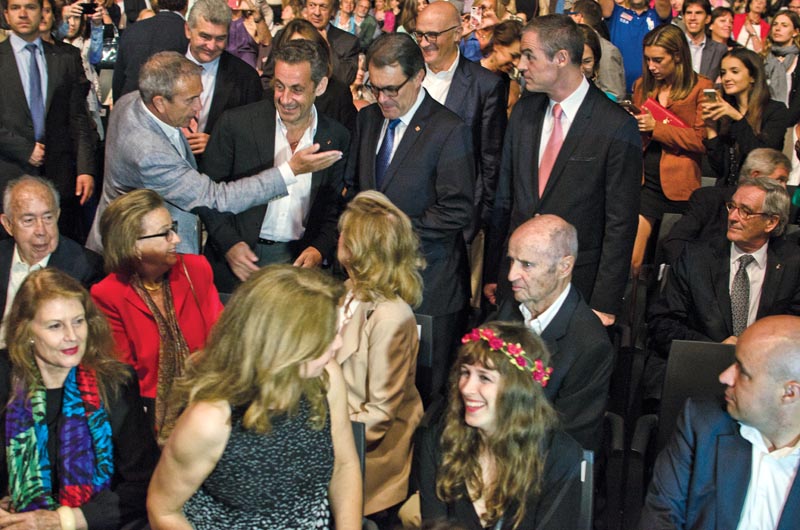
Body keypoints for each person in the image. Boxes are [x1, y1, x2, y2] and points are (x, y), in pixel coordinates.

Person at [146, 265, 363, 528]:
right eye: (324, 338)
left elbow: (344, 466)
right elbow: (163, 509)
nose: (337, 344)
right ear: (283, 348)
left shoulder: (326, 378)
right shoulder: (210, 420)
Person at [88, 51, 342, 255]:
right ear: (159, 102)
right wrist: (291, 170)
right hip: (136, 256)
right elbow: (215, 198)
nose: (199, 108)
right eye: (190, 100)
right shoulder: (147, 152)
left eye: (199, 96)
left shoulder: (132, 101)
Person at [485, 15, 641, 328]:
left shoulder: (615, 125)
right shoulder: (525, 112)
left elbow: (620, 223)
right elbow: (505, 199)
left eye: (530, 55)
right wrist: (494, 273)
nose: (522, 65)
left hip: (575, 288)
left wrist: (605, 302)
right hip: (514, 284)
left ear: (561, 58)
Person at [344, 32, 475, 403]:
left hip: (428, 286)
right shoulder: (369, 120)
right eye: (375, 88)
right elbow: (357, 186)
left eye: (392, 89)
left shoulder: (450, 130)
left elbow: (458, 209)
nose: (382, 99)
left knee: (421, 398)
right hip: (375, 285)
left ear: (419, 77)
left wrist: (389, 235)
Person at [0, 268, 158, 529]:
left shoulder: (115, 382)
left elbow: (144, 482)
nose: (72, 336)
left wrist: (65, 520)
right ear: (27, 331)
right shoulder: (4, 378)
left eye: (78, 321)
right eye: (55, 326)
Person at [197, 39, 350, 293]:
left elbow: (333, 209)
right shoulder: (236, 124)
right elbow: (207, 194)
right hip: (236, 266)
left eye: (297, 89)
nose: (285, 98)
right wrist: (230, 245)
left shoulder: (336, 136)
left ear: (320, 86)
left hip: (297, 269)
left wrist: (318, 249)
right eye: (279, 86)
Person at [415, 321, 583, 529]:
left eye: (484, 378)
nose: (466, 388)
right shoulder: (440, 442)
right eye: (465, 373)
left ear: (518, 391)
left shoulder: (558, 457)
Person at [638, 315, 800, 529]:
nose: (724, 377)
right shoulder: (702, 423)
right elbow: (660, 516)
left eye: (742, 371)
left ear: (789, 393)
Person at [91, 189, 224, 432]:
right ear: (133, 246)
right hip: (145, 416)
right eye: (165, 233)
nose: (177, 239)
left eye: (172, 228)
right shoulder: (107, 294)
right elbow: (123, 377)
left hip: (209, 399)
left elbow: (221, 337)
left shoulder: (196, 269)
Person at [336, 190, 424, 523]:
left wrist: (321, 438)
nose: (339, 236)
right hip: (337, 428)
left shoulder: (391, 316)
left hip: (369, 451)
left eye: (347, 232)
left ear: (363, 246)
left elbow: (380, 414)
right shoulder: (347, 291)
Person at [494, 215, 614, 453]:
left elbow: (567, 441)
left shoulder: (590, 345)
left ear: (564, 267)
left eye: (526, 265)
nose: (511, 275)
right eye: (512, 261)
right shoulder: (509, 308)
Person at [648, 177, 800, 355]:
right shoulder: (696, 258)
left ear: (771, 222)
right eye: (732, 207)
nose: (733, 217)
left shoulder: (793, 264)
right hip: (700, 364)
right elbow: (663, 323)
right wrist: (715, 349)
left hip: (765, 367)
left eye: (746, 211)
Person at [0, 0, 97, 244]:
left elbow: (78, 118)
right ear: (6, 15)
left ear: (45, 13)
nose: (23, 14)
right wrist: (24, 149)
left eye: (30, 7)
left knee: (59, 251)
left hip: (59, 174)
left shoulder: (65, 58)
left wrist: (85, 168)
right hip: (9, 170)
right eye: (15, 8)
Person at [629, 23, 712, 274]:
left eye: (658, 60)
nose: (652, 66)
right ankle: (628, 308)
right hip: (645, 179)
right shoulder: (643, 85)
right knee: (632, 257)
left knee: (669, 262)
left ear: (677, 56)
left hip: (680, 184)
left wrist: (657, 128)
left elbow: (701, 140)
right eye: (647, 59)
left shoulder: (701, 88)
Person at [0, 176, 103, 345]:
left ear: (58, 215)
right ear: (8, 224)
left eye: (48, 218)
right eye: (29, 220)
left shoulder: (87, 268)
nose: (41, 230)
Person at [663, 147, 793, 265]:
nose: (783, 187)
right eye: (779, 180)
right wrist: (698, 275)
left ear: (771, 222)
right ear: (756, 176)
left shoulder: (776, 211)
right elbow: (675, 243)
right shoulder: (709, 199)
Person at [181, 0, 264, 161]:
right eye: (205, 36)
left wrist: (217, 144)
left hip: (217, 175)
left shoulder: (246, 78)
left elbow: (255, 137)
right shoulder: (164, 66)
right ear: (188, 30)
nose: (211, 46)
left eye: (220, 38)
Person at [703, 48, 787, 186]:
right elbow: (719, 169)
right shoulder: (725, 112)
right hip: (727, 192)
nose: (727, 78)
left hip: (759, 192)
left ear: (753, 76)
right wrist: (711, 129)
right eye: (723, 73)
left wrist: (737, 118)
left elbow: (763, 160)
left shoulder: (775, 111)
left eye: (734, 72)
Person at [112, 0, 190, 100]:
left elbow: (119, 77)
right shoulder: (188, 33)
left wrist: (118, 106)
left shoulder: (133, 29)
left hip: (130, 102)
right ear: (187, 4)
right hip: (167, 105)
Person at [599, 0, 671, 93]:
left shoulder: (658, 16)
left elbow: (663, 4)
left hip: (651, 92)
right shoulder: (615, 13)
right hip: (617, 93)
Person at [568, 0, 626, 101]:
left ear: (578, 17)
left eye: (570, 14)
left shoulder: (607, 51)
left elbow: (614, 94)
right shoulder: (568, 44)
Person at [305, 0, 360, 85]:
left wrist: (326, 47)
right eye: (312, 5)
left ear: (333, 11)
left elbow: (345, 79)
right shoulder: (288, 35)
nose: (317, 12)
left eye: (323, 7)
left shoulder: (348, 42)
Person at [480, 19, 522, 113]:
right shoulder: (468, 76)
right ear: (497, 45)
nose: (517, 64)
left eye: (520, 58)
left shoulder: (512, 87)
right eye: (513, 56)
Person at [762, 10, 800, 107]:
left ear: (795, 32)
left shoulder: (797, 59)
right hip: (764, 113)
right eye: (775, 24)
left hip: (791, 116)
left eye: (784, 25)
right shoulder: (762, 57)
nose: (778, 28)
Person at [683, 0, 727, 80]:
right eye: (689, 13)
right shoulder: (674, 47)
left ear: (708, 19)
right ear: (683, 18)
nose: (692, 18)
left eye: (698, 13)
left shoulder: (719, 50)